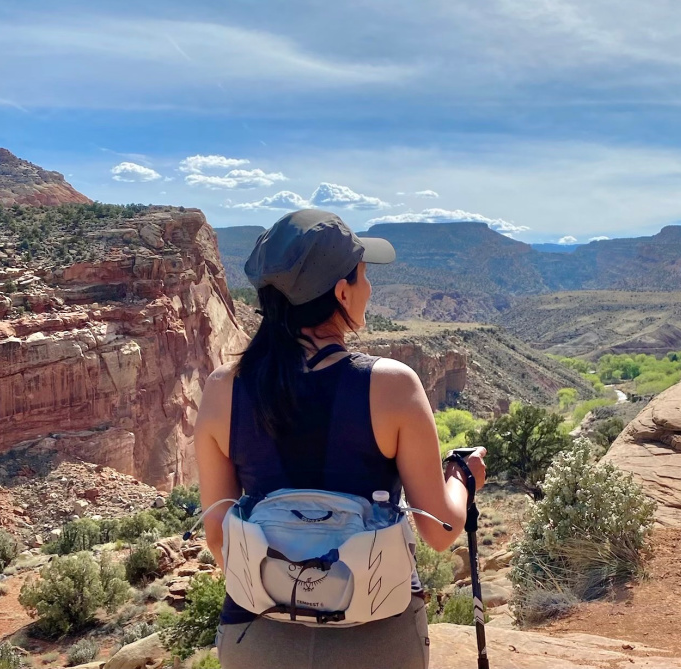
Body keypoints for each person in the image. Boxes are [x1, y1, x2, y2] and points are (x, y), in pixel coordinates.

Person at [194, 209, 487, 669]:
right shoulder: (392, 386)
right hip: (374, 641)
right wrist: (464, 480)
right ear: (342, 291)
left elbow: (218, 536)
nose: (369, 289)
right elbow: (439, 530)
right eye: (364, 276)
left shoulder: (222, 389)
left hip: (258, 636)